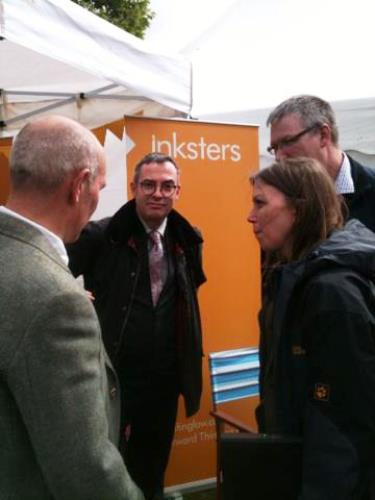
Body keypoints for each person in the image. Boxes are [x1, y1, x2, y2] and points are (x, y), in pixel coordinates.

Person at [0, 115, 144, 500]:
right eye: (99, 186)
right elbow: (86, 471)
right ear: (80, 185)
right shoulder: (57, 299)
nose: (98, 200)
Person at [67, 152, 206, 500]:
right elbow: (51, 268)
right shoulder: (103, 235)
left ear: (178, 191)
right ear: (133, 188)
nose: (158, 193)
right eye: (149, 185)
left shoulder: (189, 239)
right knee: (112, 465)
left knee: (154, 466)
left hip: (165, 378)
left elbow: (188, 297)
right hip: (115, 377)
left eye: (167, 186)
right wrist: (71, 294)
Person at [248, 157, 375, 499]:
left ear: (299, 209)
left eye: (261, 202)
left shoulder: (331, 292)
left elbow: (344, 424)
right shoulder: (292, 277)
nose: (251, 216)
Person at [266, 94, 375, 232]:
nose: (279, 157)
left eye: (288, 142)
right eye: (274, 148)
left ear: (323, 135)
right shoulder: (283, 203)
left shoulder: (370, 188)